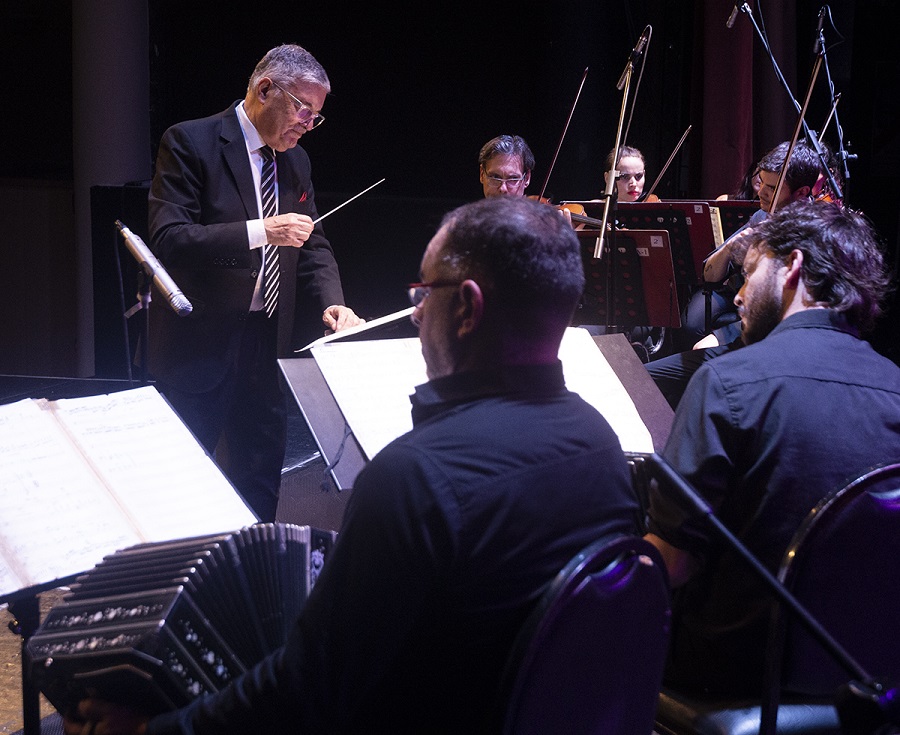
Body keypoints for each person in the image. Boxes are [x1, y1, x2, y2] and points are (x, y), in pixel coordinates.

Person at [64, 196, 643, 734]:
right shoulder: (601, 441)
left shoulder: (417, 478)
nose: (416, 315)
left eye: (425, 292)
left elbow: (307, 693)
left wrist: (153, 731)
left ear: (466, 308)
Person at [644, 200, 900, 698]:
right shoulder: (895, 386)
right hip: (867, 681)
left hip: (735, 675)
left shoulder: (727, 382)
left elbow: (670, 567)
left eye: (748, 273)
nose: (738, 296)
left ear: (794, 267)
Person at [145, 44, 362, 522]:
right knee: (185, 484)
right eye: (304, 109)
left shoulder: (296, 161)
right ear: (266, 90)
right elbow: (170, 238)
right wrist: (264, 230)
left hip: (267, 343)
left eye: (316, 117)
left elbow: (314, 243)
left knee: (259, 478)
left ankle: (256, 582)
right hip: (198, 344)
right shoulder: (189, 142)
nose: (308, 124)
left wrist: (334, 304)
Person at [646, 140, 825, 408]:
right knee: (658, 365)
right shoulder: (760, 218)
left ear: (801, 193)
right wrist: (730, 247)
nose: (762, 193)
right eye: (761, 183)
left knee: (693, 370)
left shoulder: (816, 231)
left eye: (773, 188)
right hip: (747, 318)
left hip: (774, 331)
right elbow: (709, 275)